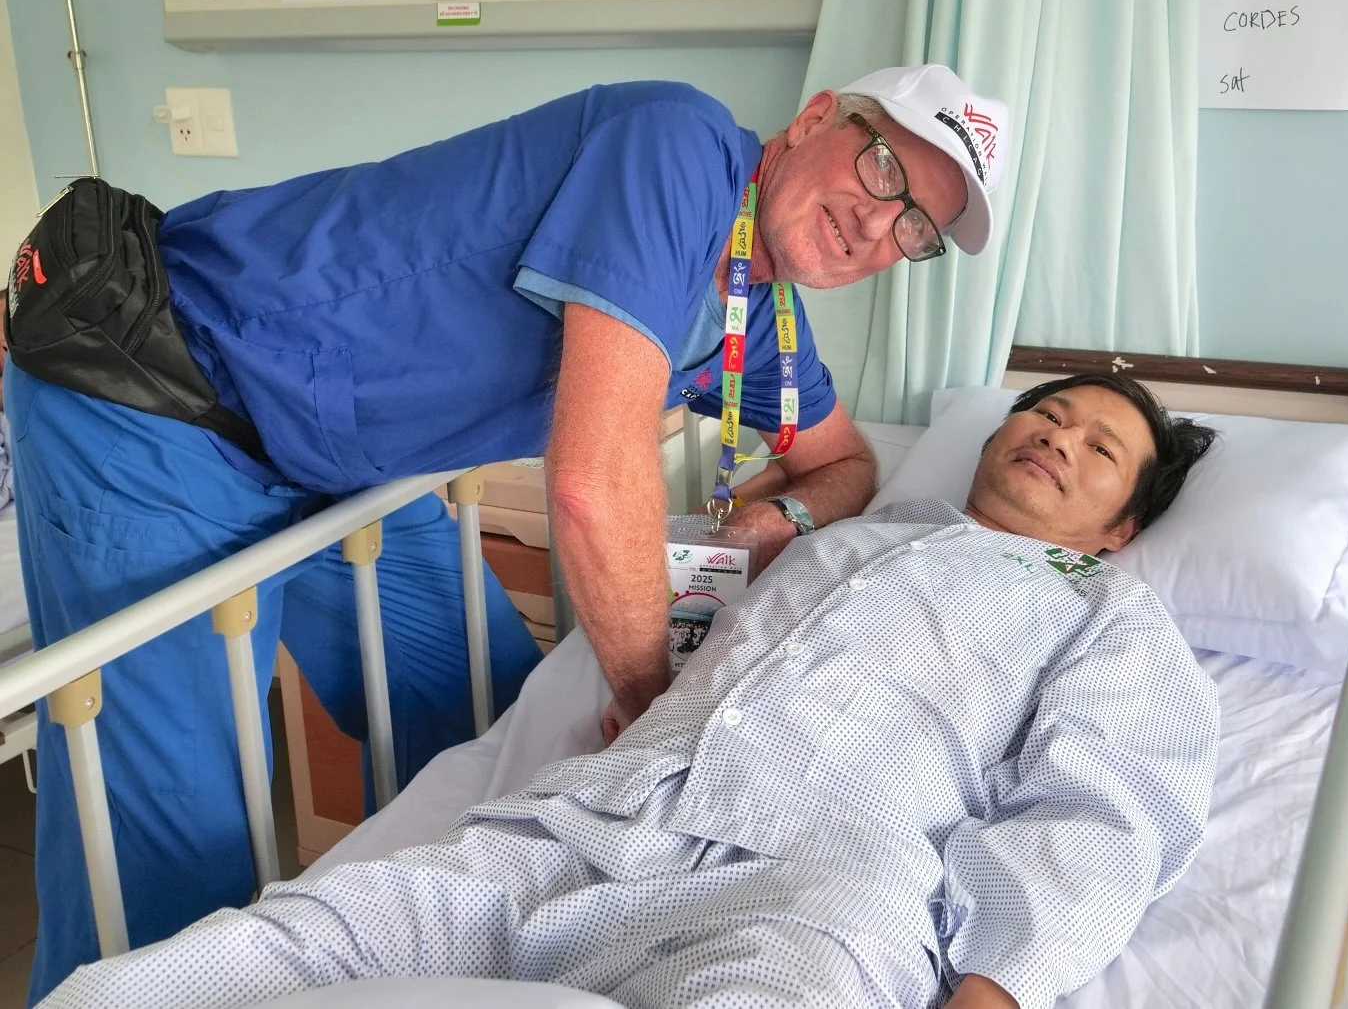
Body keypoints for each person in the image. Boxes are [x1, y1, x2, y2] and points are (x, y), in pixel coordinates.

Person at [5, 64, 1011, 1001]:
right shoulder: (677, 146)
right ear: (815, 119)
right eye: (884, 169)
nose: (879, 225)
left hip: (329, 464)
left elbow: (847, 461)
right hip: (163, 391)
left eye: (916, 229)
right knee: (171, 837)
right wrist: (655, 711)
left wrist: (768, 520)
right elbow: (591, 484)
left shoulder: (761, 315)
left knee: (487, 714)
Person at [43, 373, 1221, 1009]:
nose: (1057, 438)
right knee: (287, 942)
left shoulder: (1107, 616)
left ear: (1120, 527)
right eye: (1047, 413)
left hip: (820, 880)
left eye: (1098, 448)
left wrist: (996, 988)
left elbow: (1104, 815)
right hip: (601, 816)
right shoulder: (855, 536)